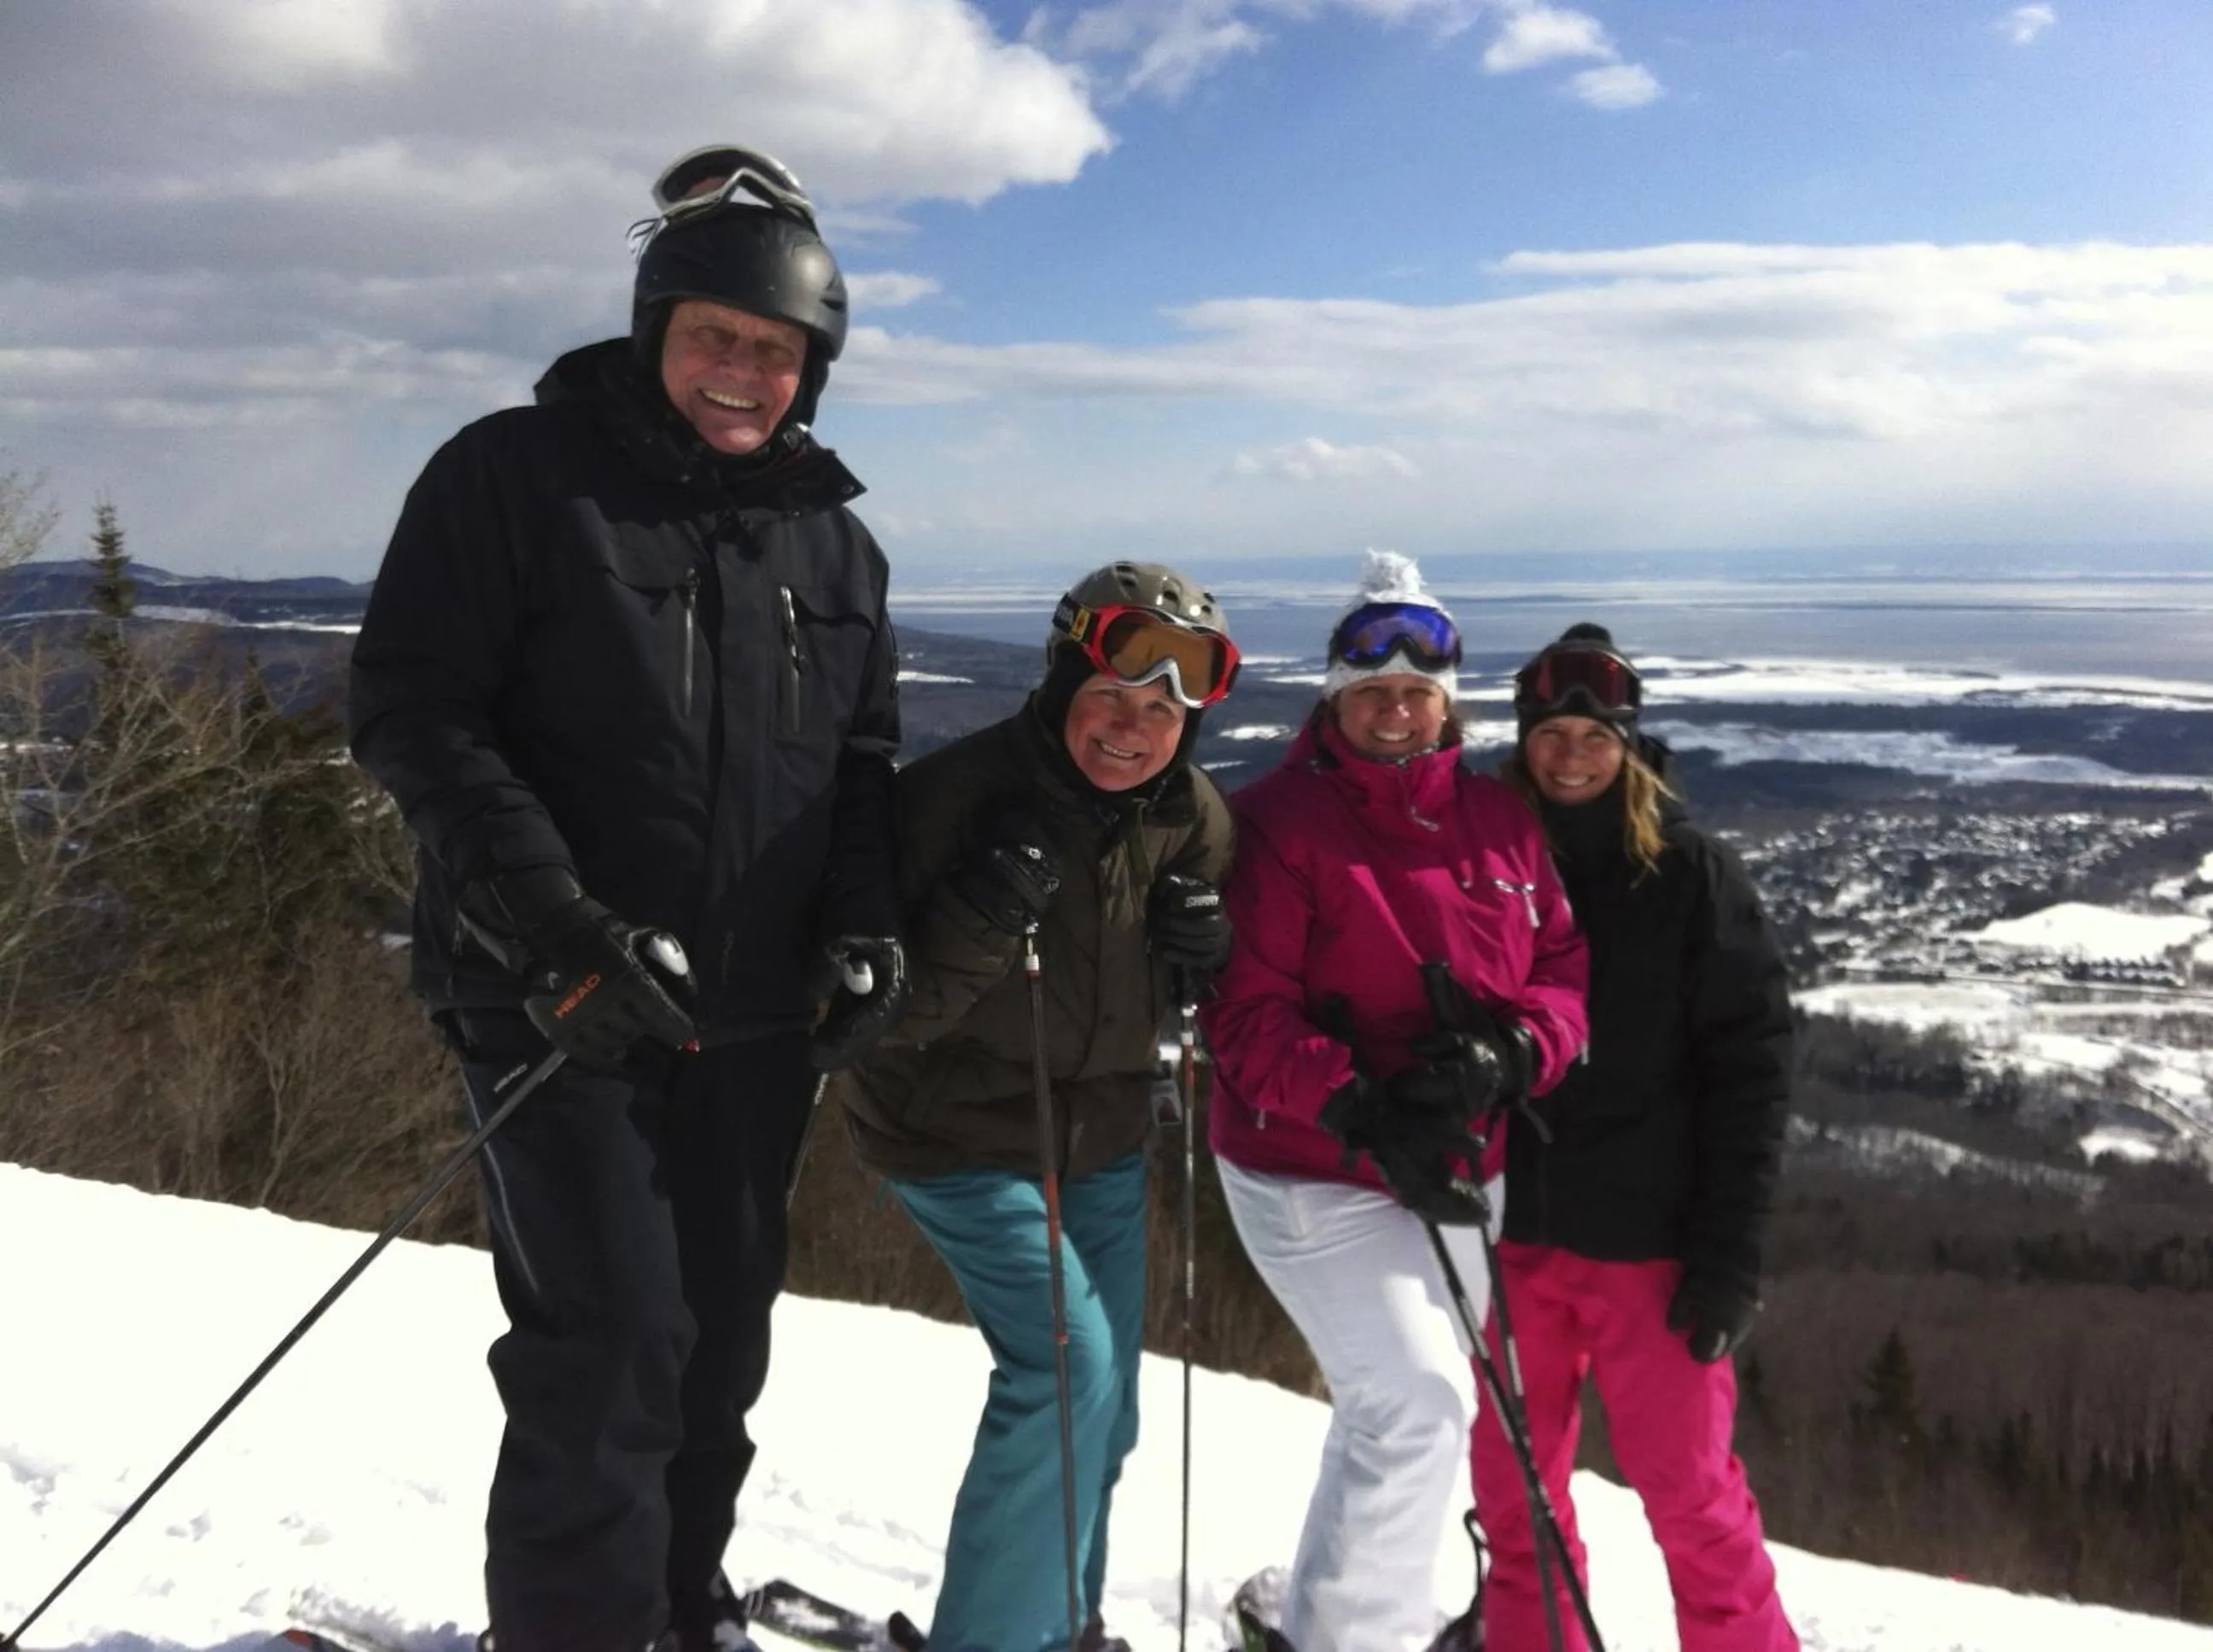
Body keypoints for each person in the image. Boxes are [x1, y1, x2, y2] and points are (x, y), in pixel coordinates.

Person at [348, 144, 908, 1652]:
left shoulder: (834, 546)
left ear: (813, 370)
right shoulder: (515, 480)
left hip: (747, 1022)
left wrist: (862, 928)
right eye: (715, 336)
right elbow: (417, 712)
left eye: (775, 349)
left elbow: (861, 769)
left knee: (717, 1350)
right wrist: (557, 928)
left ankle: (674, 1607)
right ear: (656, 327)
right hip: (556, 1000)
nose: (742, 371)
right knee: (610, 1344)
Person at [838, 562, 1239, 1652]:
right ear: (1064, 681)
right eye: (1111, 693)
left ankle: (1060, 1623)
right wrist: (977, 909)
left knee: (1110, 1413)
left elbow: (1170, 990)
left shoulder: (1191, 821)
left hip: (1100, 1137)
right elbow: (881, 1021)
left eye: (1164, 709)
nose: (1132, 727)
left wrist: (1202, 959)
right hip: (953, 1127)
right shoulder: (952, 804)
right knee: (1070, 1371)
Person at [1201, 552, 1588, 1652]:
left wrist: (1513, 1053)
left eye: (1419, 691)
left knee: (1401, 1413)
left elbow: (1562, 967)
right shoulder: (1279, 823)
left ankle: (1333, 1611)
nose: (1397, 707)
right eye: (1373, 688)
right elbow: (1244, 1014)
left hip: (1465, 1165)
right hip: (1314, 1169)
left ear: (1446, 702)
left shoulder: (1501, 824)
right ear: (1337, 695)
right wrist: (1364, 1104)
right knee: (1421, 1408)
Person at [1469, 623, 1796, 1652]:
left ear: (1629, 744)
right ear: (1523, 737)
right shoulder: (1482, 861)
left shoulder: (1690, 877)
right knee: (1518, 1500)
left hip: (1649, 1252)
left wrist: (1729, 1256)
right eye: (1552, 732)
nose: (1571, 753)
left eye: (1594, 734)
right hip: (1506, 1241)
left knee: (1692, 1498)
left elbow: (1753, 1072)